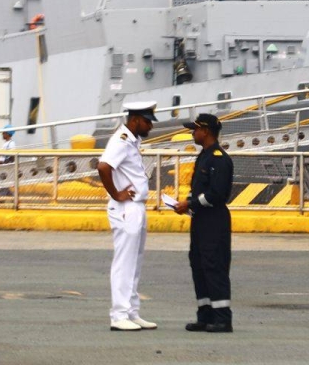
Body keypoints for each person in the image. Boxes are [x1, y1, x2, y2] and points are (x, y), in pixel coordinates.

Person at [97, 100, 158, 332]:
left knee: (135, 261)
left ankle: (132, 311)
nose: (150, 126)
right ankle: (119, 314)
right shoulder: (121, 140)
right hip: (126, 208)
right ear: (135, 120)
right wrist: (116, 193)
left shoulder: (133, 140)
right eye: (147, 121)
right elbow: (103, 167)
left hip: (136, 207)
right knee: (125, 262)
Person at [173, 113, 235, 333]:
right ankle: (205, 314)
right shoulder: (204, 156)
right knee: (198, 265)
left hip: (214, 221)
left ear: (206, 131)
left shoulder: (219, 158)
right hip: (200, 220)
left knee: (214, 266)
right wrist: (188, 205)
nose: (193, 133)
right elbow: (199, 190)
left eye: (196, 129)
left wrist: (191, 203)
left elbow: (217, 194)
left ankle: (222, 318)